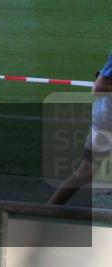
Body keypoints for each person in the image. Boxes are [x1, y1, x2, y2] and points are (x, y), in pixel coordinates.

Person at [48, 50, 112, 205]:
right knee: (86, 171)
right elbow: (98, 88)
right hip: (107, 120)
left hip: (104, 118)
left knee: (85, 171)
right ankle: (47, 211)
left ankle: (48, 211)